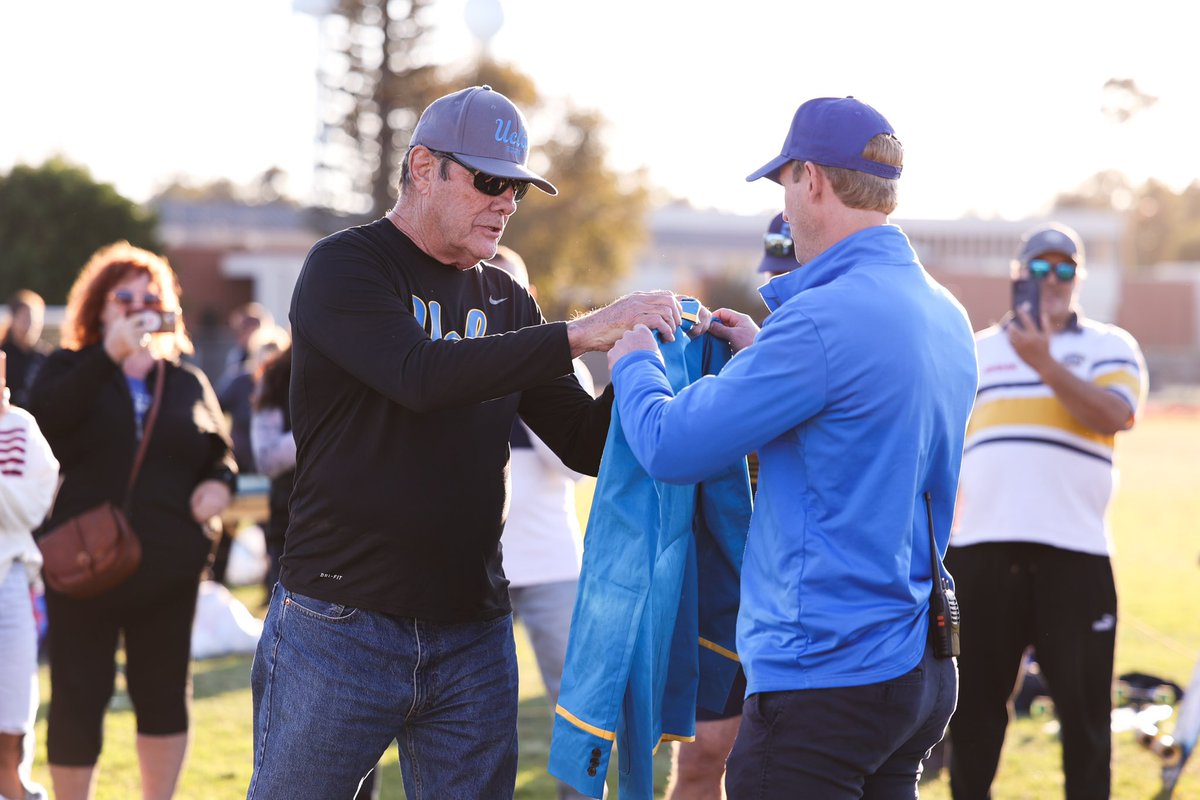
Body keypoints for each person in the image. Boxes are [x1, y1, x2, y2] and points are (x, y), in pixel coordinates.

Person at [246, 84, 696, 800]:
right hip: (341, 626)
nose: (507, 203)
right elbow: (419, 376)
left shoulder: (506, 296)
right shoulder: (346, 266)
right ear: (424, 167)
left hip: (472, 631)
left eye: (517, 188)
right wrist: (584, 330)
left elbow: (583, 441)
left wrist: (653, 361)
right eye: (490, 182)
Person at [605, 96, 979, 798]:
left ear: (810, 179)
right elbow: (858, 423)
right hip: (916, 666)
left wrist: (633, 360)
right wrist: (764, 348)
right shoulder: (943, 309)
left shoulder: (819, 322)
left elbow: (671, 446)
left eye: (784, 184)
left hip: (827, 678)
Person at [944, 222, 1148, 800]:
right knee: (975, 716)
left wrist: (1045, 362)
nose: (1052, 280)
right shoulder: (976, 349)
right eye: (1039, 268)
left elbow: (1115, 415)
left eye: (1064, 269)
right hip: (981, 551)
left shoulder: (1111, 345)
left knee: (1086, 722)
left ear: (1078, 278)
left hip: (1075, 556)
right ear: (1019, 274)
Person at [28, 241, 237, 800]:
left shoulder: (186, 380)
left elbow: (220, 455)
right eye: (125, 297)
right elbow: (43, 426)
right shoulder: (69, 367)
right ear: (99, 306)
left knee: (164, 691)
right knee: (78, 692)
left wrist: (220, 484)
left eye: (152, 296)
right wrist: (107, 357)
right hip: (83, 562)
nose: (139, 306)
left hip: (168, 568)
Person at [664, 212, 794, 800]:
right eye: (781, 273)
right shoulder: (747, 358)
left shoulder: (849, 343)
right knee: (703, 758)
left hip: (808, 597)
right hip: (729, 589)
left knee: (790, 768)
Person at [486, 246, 595, 800]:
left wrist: (520, 385)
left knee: (573, 702)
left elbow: (576, 464)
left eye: (508, 290)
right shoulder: (453, 357)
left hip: (552, 561)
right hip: (478, 566)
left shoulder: (562, 362)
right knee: (471, 712)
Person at [0, 351, 57, 800]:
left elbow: (35, 504)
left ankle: (12, 783)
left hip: (12, 574)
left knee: (17, 689)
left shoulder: (20, 426)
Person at [0, 290, 50, 409]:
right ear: (13, 319)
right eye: (25, 319)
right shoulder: (3, 354)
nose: (30, 325)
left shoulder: (45, 357)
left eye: (35, 320)